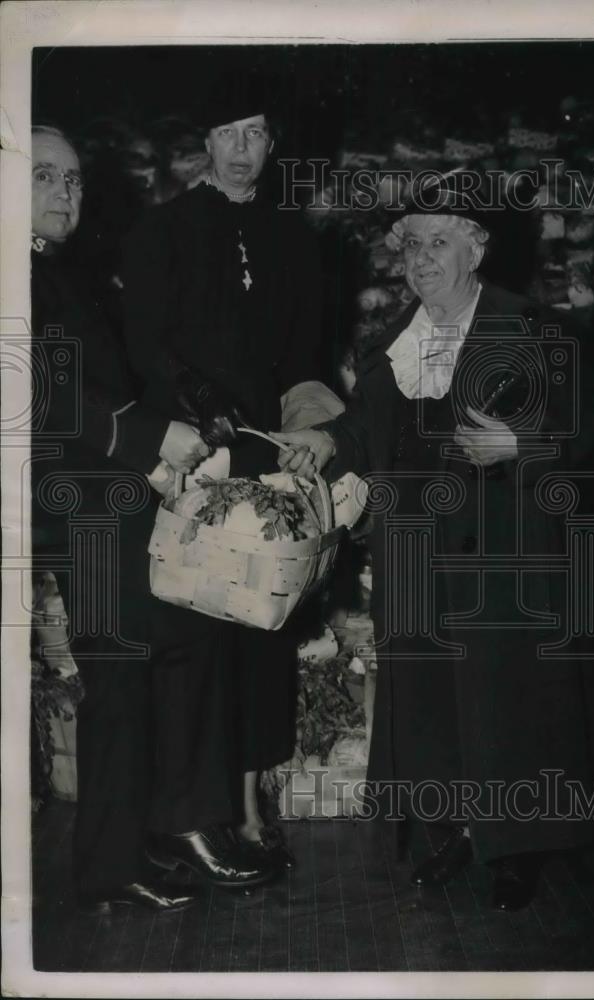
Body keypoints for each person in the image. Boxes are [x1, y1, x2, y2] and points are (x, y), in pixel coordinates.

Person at [272, 179, 594, 911]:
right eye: (410, 244)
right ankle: (452, 829)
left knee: (508, 704)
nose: (420, 259)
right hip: (417, 554)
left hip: (505, 553)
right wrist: (323, 440)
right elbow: (365, 431)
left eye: (437, 242)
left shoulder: (531, 329)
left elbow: (589, 431)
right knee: (434, 703)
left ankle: (518, 849)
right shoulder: (393, 342)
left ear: (476, 248)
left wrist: (520, 444)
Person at [30, 125, 271, 914]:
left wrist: (171, 445)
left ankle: (143, 842)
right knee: (125, 677)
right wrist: (145, 440)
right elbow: (38, 396)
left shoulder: (55, 273)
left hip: (107, 497)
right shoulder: (14, 277)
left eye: (70, 180)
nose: (65, 193)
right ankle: (115, 860)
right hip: (76, 507)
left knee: (151, 665)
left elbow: (107, 386)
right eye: (43, 177)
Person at [121, 71, 328, 872]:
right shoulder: (160, 233)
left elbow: (307, 356)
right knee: (201, 632)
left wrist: (311, 435)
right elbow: (146, 343)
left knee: (263, 633)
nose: (247, 150)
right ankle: (194, 811)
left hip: (268, 461)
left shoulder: (295, 238)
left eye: (260, 133)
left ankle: (246, 802)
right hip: (196, 457)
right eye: (231, 134)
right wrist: (199, 404)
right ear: (204, 145)